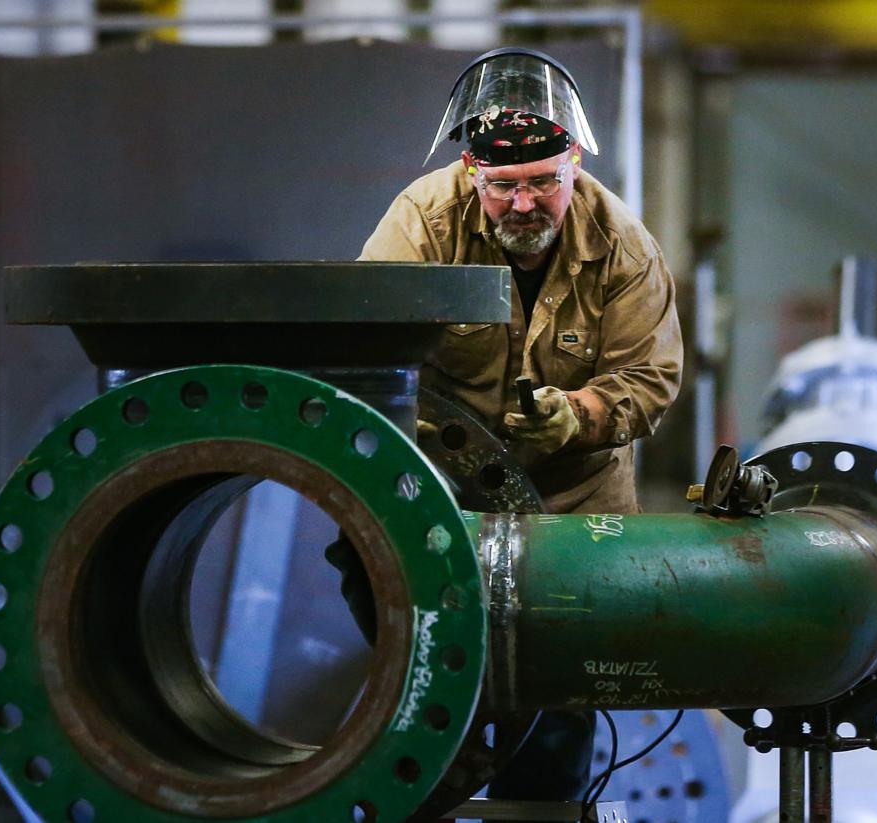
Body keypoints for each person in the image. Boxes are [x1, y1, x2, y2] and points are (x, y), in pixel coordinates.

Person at [355, 47, 683, 804]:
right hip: (448, 501)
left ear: (574, 167)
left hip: (573, 507)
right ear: (473, 175)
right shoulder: (422, 223)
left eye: (543, 183)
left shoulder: (622, 245)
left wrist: (579, 416)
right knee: (423, 681)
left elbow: (652, 376)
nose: (524, 205)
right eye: (503, 186)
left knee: (557, 715)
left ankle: (547, 809)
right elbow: (369, 349)